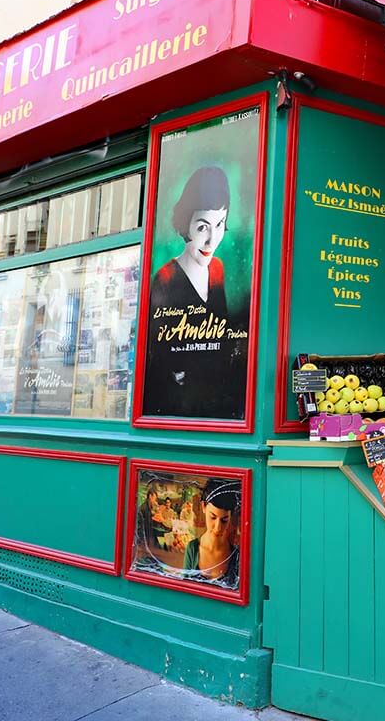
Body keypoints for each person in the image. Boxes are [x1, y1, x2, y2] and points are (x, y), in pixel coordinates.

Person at [143, 166, 247, 419]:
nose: (212, 240)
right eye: (202, 227)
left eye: (220, 224)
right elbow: (155, 354)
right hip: (177, 410)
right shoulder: (165, 278)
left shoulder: (218, 270)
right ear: (185, 224)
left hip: (219, 405)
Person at [182, 479, 240, 587]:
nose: (218, 527)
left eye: (224, 520)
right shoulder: (193, 549)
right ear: (203, 507)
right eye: (212, 517)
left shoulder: (236, 554)